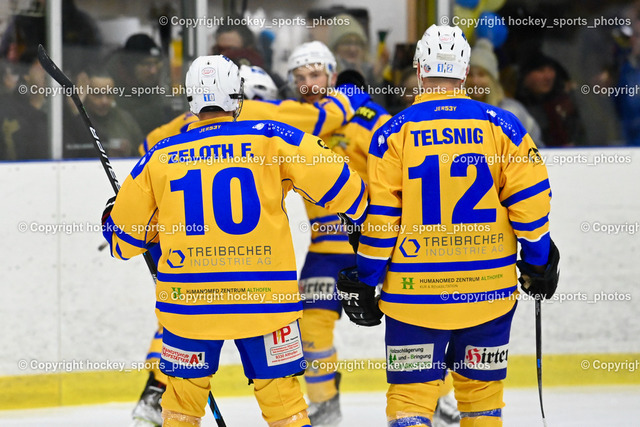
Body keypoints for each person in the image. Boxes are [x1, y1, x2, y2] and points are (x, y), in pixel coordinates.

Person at [104, 54, 368, 427]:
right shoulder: (273, 138)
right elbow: (348, 189)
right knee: (285, 407)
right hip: (265, 303)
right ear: (238, 96)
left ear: (191, 101)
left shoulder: (159, 157)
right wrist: (358, 218)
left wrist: (114, 216)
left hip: (190, 307)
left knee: (180, 411)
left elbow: (123, 243)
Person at [337, 25, 560, 427]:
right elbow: (531, 207)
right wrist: (538, 262)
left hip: (413, 297)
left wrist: (367, 278)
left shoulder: (392, 132)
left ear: (419, 70)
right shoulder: (503, 125)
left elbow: (382, 222)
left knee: (410, 401)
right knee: (482, 403)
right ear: (465, 71)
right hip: (488, 294)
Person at [129, 64, 280, 427]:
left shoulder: (177, 131)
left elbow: (146, 148)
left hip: (184, 241)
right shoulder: (264, 122)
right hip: (246, 264)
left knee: (183, 315)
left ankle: (156, 390)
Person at [284, 41, 389, 426]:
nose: (308, 84)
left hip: (377, 244)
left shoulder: (369, 117)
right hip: (325, 247)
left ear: (331, 74)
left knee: (409, 323)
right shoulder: (298, 122)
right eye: (299, 78)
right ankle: (325, 403)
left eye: (314, 75)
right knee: (309, 323)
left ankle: (440, 396)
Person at [466, 38, 543, 146]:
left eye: (481, 74)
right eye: (470, 75)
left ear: (493, 79)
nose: (475, 81)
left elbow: (536, 148)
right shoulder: (458, 112)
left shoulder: (511, 111)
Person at [64, 67, 143, 158]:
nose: (104, 101)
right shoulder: (70, 121)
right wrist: (77, 110)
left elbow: (142, 154)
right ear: (84, 94)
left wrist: (130, 152)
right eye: (97, 94)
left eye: (109, 94)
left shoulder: (125, 120)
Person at [107, 33, 176, 135]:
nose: (153, 71)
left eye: (156, 63)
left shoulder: (157, 89)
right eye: (146, 64)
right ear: (129, 67)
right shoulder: (107, 92)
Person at [515, 51, 584, 146]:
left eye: (551, 69)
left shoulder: (566, 105)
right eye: (540, 70)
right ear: (525, 76)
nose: (548, 76)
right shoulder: (515, 110)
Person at [0, 48, 48, 160]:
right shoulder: (6, 108)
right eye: (42, 66)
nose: (47, 71)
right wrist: (35, 107)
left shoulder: (59, 108)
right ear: (26, 75)